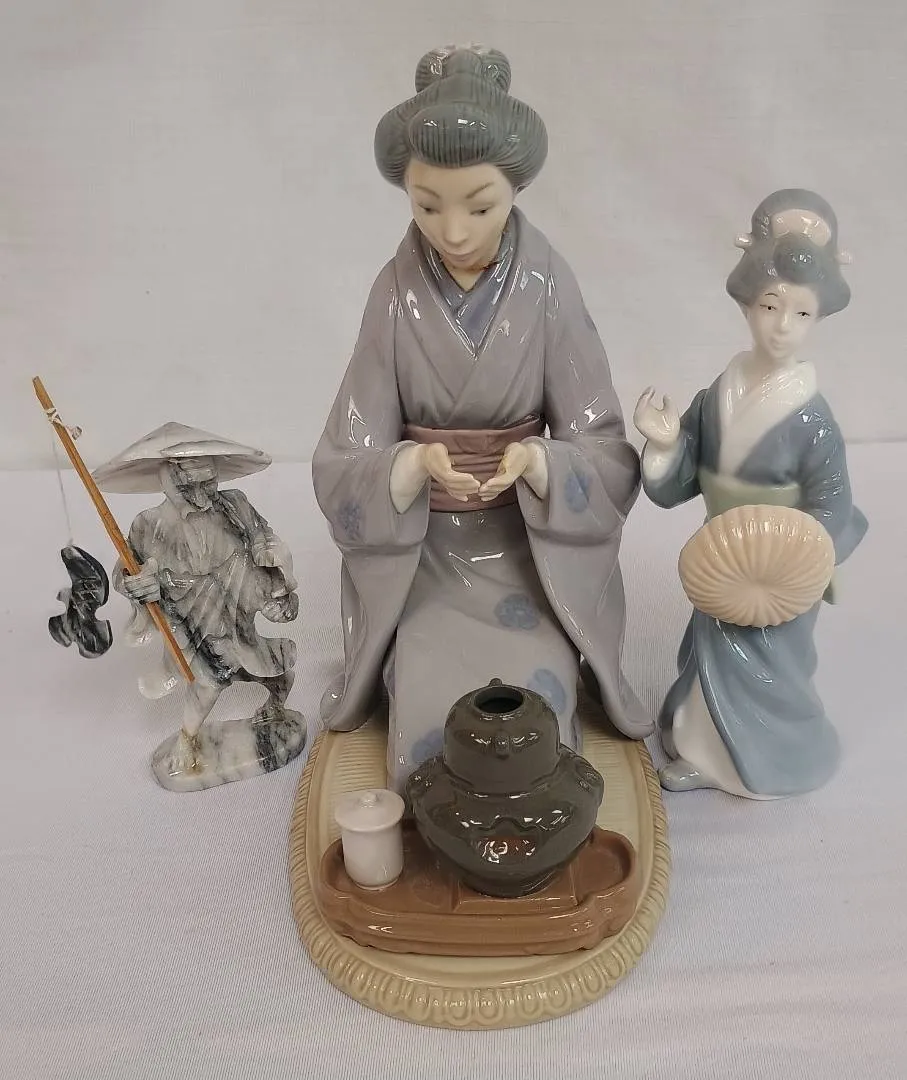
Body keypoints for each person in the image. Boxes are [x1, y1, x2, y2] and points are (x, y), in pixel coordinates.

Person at [312, 45, 652, 793]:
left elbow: (603, 448)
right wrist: (406, 467)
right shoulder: (392, 294)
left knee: (540, 692)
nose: (455, 230)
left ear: (514, 189)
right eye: (427, 205)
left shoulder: (548, 285)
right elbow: (345, 455)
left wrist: (541, 463)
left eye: (480, 205)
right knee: (428, 691)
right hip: (427, 550)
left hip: (525, 546)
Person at [634, 189, 868, 798]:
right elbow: (681, 478)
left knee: (767, 663)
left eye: (802, 314)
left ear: (819, 318)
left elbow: (833, 500)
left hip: (778, 567)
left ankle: (763, 762)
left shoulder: (813, 419)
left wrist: (796, 552)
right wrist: (667, 444)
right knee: (710, 652)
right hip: (722, 559)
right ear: (747, 305)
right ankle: (701, 753)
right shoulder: (721, 391)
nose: (783, 326)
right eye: (770, 306)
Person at [93, 422, 303, 787]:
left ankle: (274, 705)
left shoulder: (234, 505)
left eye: (208, 482)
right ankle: (187, 739)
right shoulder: (149, 524)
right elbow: (125, 571)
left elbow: (263, 537)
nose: (201, 495)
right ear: (167, 482)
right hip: (190, 614)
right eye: (188, 486)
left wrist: (271, 563)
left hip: (234, 603)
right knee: (210, 677)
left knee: (266, 664)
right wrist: (137, 582)